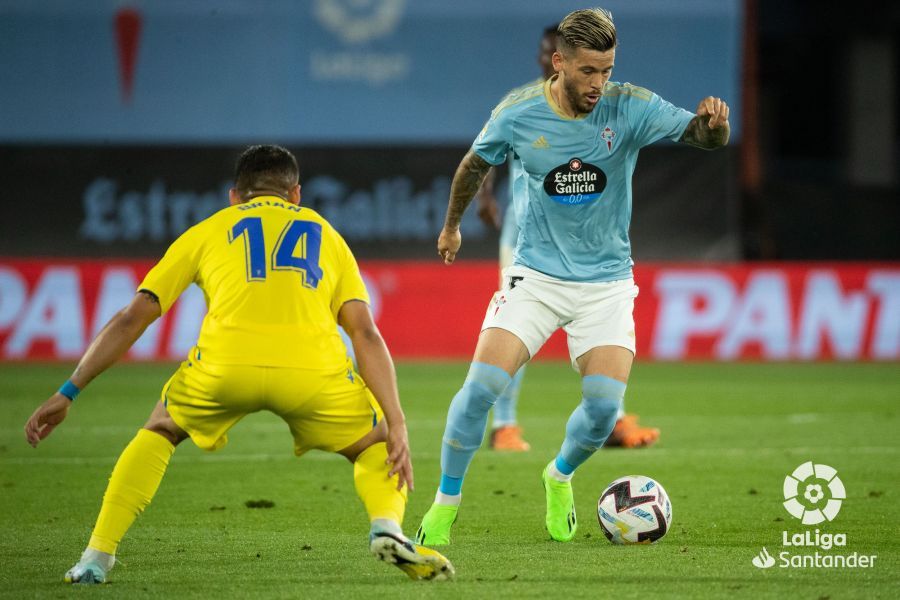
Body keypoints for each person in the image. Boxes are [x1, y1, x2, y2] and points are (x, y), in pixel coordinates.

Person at [24, 145, 454, 583]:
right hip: (312, 372)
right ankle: (387, 527)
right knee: (373, 442)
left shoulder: (208, 229)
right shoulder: (325, 233)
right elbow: (365, 332)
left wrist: (69, 391)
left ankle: (97, 556)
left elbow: (134, 315)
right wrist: (397, 421)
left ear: (235, 196)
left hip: (225, 367)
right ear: (296, 194)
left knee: (161, 430)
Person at [417, 8, 729, 545]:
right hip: (535, 279)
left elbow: (699, 137)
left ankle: (558, 475)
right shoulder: (519, 113)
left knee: (605, 411)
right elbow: (474, 165)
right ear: (559, 63)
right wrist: (451, 228)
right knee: (477, 393)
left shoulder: (629, 106)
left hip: (606, 286)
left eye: (606, 70)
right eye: (588, 71)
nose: (598, 83)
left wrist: (714, 127)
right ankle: (444, 505)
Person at [476, 24, 660, 452]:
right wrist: (484, 196)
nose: (545, 59)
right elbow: (484, 153)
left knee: (604, 330)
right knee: (512, 332)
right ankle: (504, 426)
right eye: (543, 53)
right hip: (525, 240)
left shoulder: (597, 107)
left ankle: (611, 418)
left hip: (584, 240)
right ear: (552, 58)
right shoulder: (523, 106)